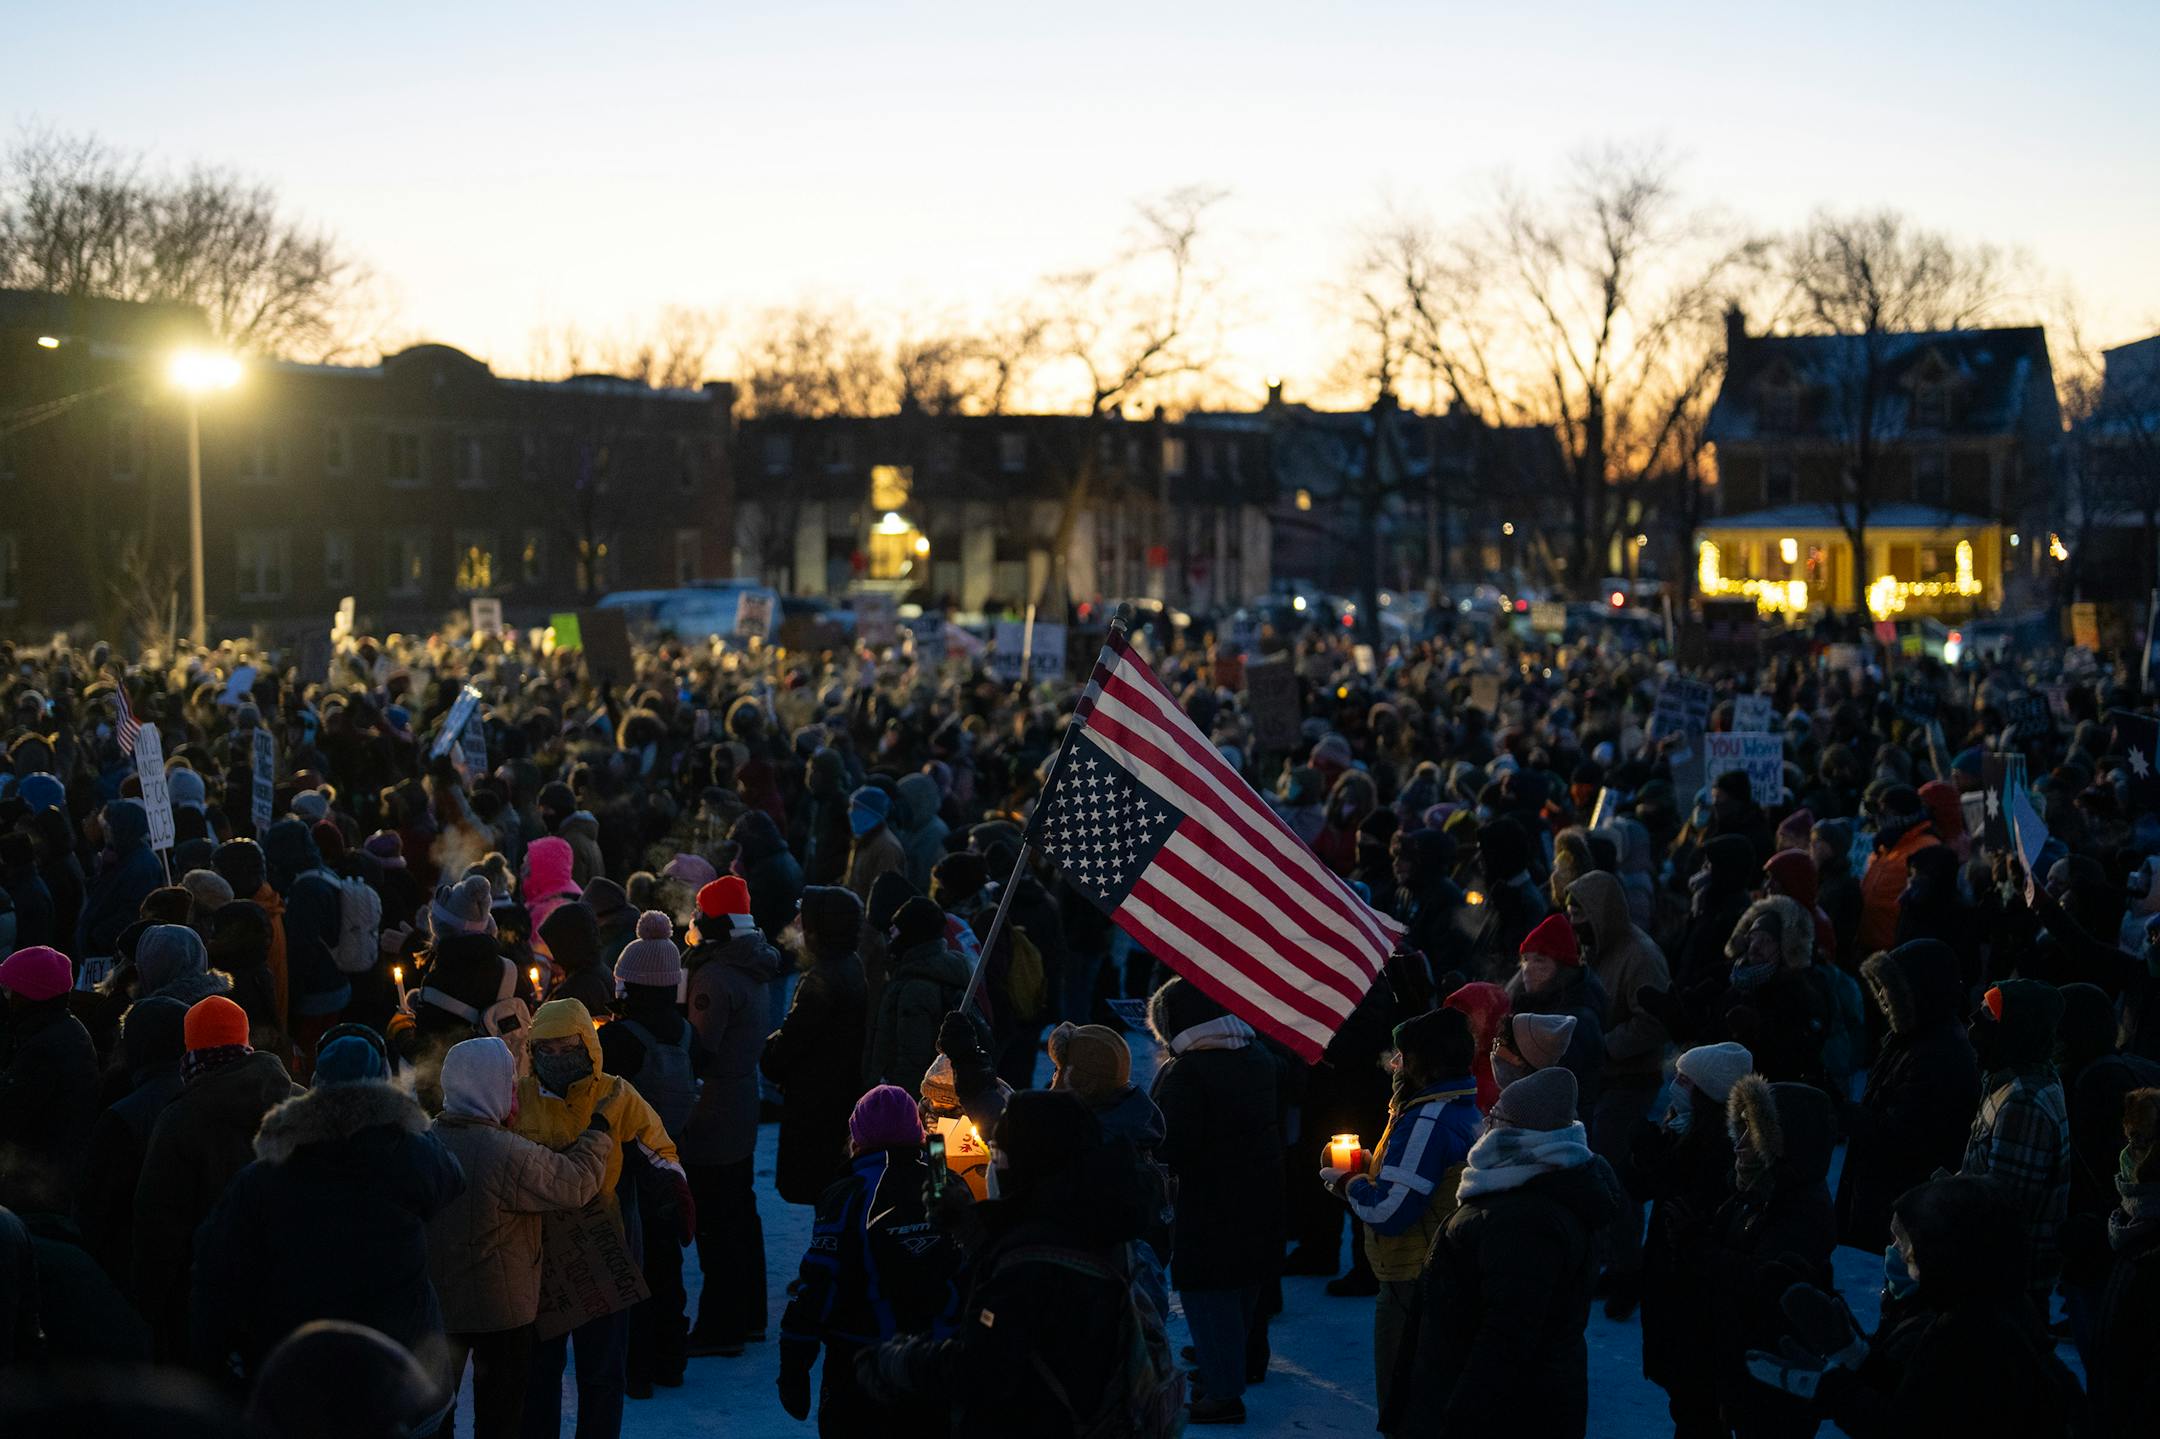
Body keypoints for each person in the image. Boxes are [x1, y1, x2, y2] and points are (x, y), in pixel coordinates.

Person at [851, 1089, 1172, 1438]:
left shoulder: (1030, 1268)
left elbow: (980, 1367)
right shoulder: (1096, 1222)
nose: (995, 1165)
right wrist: (969, 1226)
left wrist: (898, 1362)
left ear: (1030, 1164)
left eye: (1000, 1154)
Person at [190, 1027, 465, 1390]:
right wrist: (405, 1119)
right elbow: (451, 1178)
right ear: (385, 1085)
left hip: (300, 1372)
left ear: (316, 1085)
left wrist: (221, 1360)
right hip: (400, 1371)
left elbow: (216, 1270)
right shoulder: (410, 1157)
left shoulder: (265, 1176)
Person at [1744, 1176, 2085, 1439]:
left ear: (1947, 1253)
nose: (1898, 1253)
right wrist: (1859, 1359)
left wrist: (1829, 1389)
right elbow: (1924, 1396)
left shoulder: (1971, 1336)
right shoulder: (1987, 1308)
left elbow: (1907, 1426)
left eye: (1908, 1245)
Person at [1383, 1065, 1620, 1437]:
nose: (1487, 1123)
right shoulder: (1529, 1181)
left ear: (1522, 1132)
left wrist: (1461, 1416)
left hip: (1507, 1412)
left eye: (1496, 1116)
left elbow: (1507, 1336)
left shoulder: (1526, 1217)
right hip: (1516, 1397)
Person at [512, 997, 693, 1439]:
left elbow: (657, 1146)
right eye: (547, 1049)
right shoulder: (519, 1097)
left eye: (567, 1048)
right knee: (539, 1372)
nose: (557, 1058)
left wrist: (671, 1185)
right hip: (540, 1254)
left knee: (603, 1373)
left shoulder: (615, 1093)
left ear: (588, 1046)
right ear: (533, 1051)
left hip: (605, 1248)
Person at [428, 1036, 610, 1439]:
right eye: (509, 1084)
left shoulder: (425, 1143)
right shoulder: (506, 1153)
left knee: (435, 1417)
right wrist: (597, 1136)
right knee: (500, 1419)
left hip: (438, 1308)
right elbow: (575, 1183)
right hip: (502, 1313)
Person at [1324, 1008, 1480, 1433]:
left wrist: (1349, 1183)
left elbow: (1388, 1212)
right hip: (1434, 1273)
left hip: (1413, 1280)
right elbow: (1415, 1180)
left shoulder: (1427, 1120)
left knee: (1405, 1408)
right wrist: (1372, 1168)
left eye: (1403, 1056)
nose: (1394, 1063)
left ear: (1423, 1064)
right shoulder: (1449, 1105)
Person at [777, 1085, 960, 1437]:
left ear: (858, 1137)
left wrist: (794, 1362)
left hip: (862, 1365)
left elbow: (820, 1282)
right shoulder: (943, 1180)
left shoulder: (849, 1192)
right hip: (938, 1363)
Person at [132, 994, 303, 1360]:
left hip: (209, 1298)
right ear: (245, 1041)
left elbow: (159, 1226)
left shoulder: (180, 1120)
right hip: (292, 1289)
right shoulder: (299, 1104)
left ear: (191, 1048)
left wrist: (148, 1309)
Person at [1150, 977, 1283, 1426]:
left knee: (1208, 1294)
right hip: (1259, 1192)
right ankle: (1224, 1369)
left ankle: (1223, 1394)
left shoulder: (1189, 1072)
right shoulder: (1256, 1055)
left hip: (1209, 1202)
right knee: (1243, 1287)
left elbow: (1173, 1144)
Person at [680, 875, 788, 1357]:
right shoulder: (752, 962)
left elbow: (701, 1049)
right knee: (741, 1212)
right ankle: (749, 1316)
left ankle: (720, 1327)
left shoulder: (715, 976)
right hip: (741, 1098)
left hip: (714, 1106)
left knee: (716, 1220)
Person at [1695, 1075, 1837, 1438]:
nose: (1740, 1143)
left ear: (1784, 1140)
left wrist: (1703, 1252)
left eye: (1753, 1133)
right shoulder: (1757, 1190)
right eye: (1740, 1129)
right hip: (1745, 1368)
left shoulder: (1801, 1206)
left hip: (1774, 1379)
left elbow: (1763, 1281)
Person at [595, 911, 700, 1397]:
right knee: (666, 1262)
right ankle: (671, 1358)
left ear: (629, 983)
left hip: (628, 1165)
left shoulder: (619, 1038)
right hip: (672, 1159)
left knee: (631, 1266)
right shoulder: (684, 1031)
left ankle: (635, 1368)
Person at [1564, 870, 1670, 1319]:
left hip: (1632, 1079)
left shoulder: (1640, 956)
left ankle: (1630, 1268)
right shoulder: (1592, 950)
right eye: (1570, 910)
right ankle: (1612, 1258)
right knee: (1597, 1167)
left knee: (1616, 1172)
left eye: (1580, 910)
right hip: (1601, 1078)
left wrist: (1603, 1047)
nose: (1573, 919)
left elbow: (1653, 1021)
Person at [1631, 1042, 1752, 1437]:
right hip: (1672, 1282)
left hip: (1692, 1295)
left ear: (1707, 1091)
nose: (1675, 1084)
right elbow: (1643, 1189)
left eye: (1685, 1079)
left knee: (1697, 1407)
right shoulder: (1682, 1127)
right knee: (1687, 1402)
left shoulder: (1719, 1149)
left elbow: (1680, 1194)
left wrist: (1652, 1158)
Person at [1835, 939, 1982, 1251]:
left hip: (1905, 1210)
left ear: (1919, 992)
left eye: (1890, 987)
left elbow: (1902, 1139)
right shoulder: (1910, 1036)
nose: (1882, 996)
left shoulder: (1938, 1054)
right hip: (1892, 1200)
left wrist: (1842, 1110)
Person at [1959, 979, 2072, 1315]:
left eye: (1989, 1013)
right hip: (1998, 1276)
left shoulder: (2023, 1100)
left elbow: (2003, 1209)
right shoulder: (2011, 1077)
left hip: (2004, 1283)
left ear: (2017, 1028)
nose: (1974, 1020)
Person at [763, 887, 872, 1207]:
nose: (797, 924)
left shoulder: (822, 979)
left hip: (816, 1106)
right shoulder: (849, 963)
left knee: (820, 1189)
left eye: (804, 919)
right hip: (835, 1098)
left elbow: (786, 1047)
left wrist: (770, 1047)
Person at [76, 993, 188, 1288]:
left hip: (129, 1264)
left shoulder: (122, 1116)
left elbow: (94, 1206)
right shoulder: (203, 1096)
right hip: (186, 1264)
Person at [0, 945, 100, 1212]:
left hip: (38, 1186)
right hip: (53, 1174)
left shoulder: (43, 1049)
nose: (5, 997)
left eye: (8, 990)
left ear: (28, 996)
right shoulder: (64, 1028)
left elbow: (10, 1113)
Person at [1503, 914, 1607, 1112]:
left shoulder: (1575, 1020)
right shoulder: (1533, 1003)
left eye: (1540, 960)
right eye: (1525, 959)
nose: (1528, 969)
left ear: (1562, 968)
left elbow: (1552, 1087)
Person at [866, 896, 970, 1094]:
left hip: (903, 1096)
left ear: (911, 934)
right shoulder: (937, 970)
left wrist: (894, 1097)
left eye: (897, 927)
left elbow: (912, 1057)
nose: (891, 931)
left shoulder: (915, 988)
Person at [844, 787, 905, 901]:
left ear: (870, 813)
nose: (850, 812)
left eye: (856, 808)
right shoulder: (863, 839)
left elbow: (886, 893)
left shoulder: (887, 847)